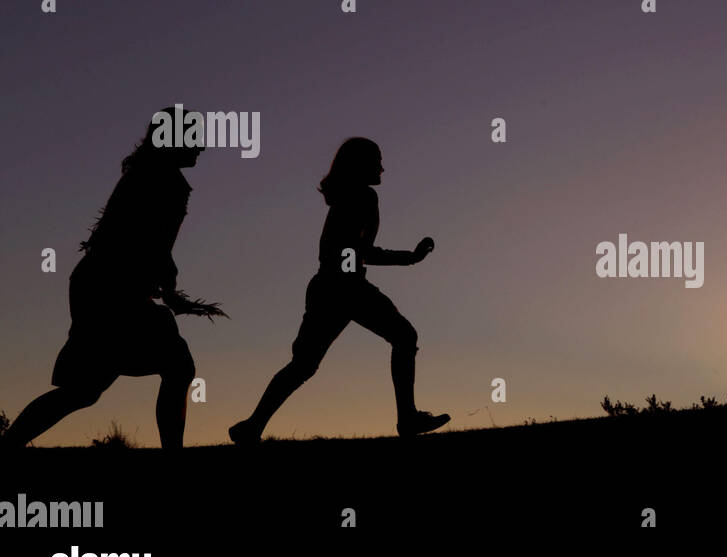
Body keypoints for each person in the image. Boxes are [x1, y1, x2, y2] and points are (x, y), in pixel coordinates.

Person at [1, 109, 223, 450]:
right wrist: (168, 285)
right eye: (195, 138)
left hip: (100, 285)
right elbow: (151, 240)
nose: (202, 146)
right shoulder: (166, 182)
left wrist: (163, 282)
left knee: (84, 390)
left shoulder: (145, 173)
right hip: (113, 291)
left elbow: (141, 240)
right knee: (177, 367)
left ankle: (9, 444)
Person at [229, 137, 449, 444]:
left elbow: (354, 251)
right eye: (376, 160)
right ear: (361, 166)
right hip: (342, 287)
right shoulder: (362, 198)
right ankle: (408, 419)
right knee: (401, 337)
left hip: (331, 286)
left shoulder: (352, 198)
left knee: (303, 365)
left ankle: (252, 426)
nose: (382, 167)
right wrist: (406, 259)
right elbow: (357, 251)